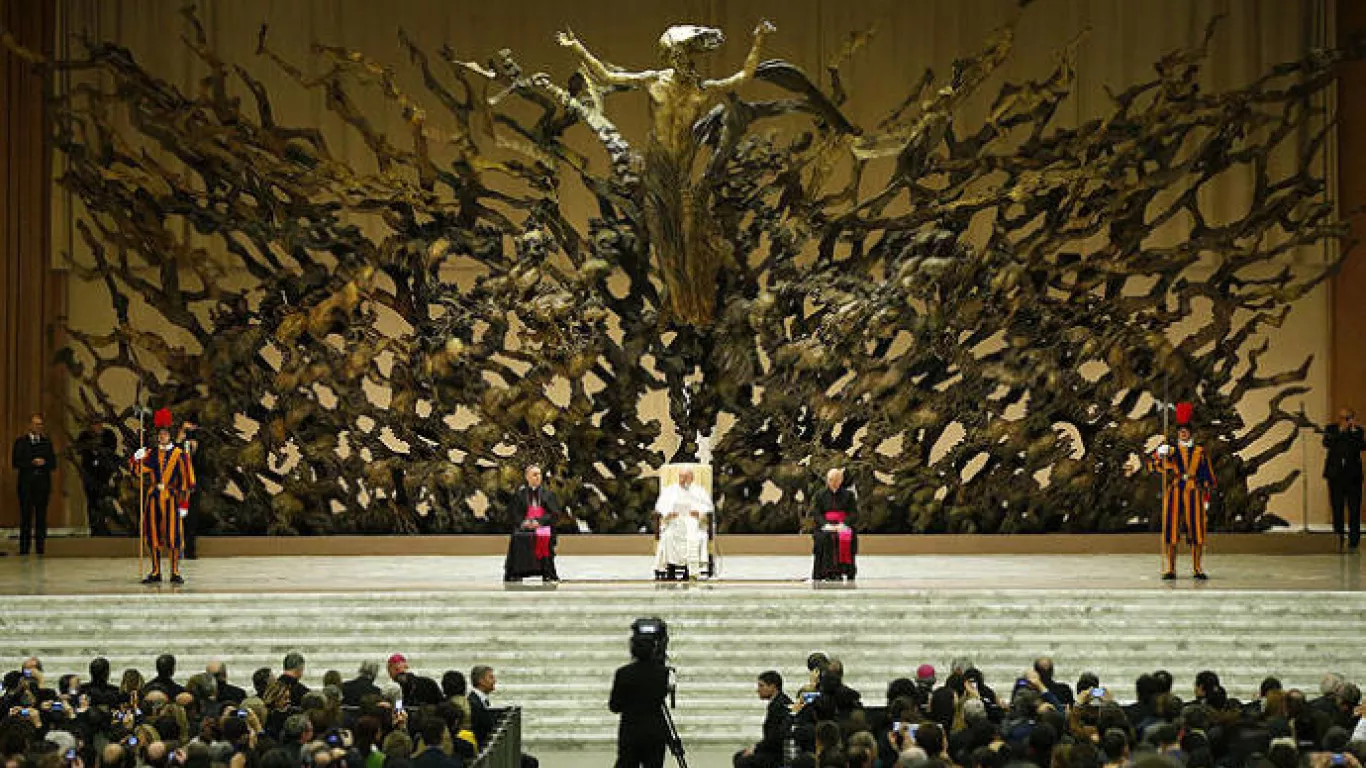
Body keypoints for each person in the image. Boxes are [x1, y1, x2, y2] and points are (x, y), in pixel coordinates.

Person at [1149, 402, 1216, 580]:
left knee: (1197, 530)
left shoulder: (1199, 452)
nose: (1183, 434)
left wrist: (1207, 496)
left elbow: (1207, 474)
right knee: (1171, 528)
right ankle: (1171, 568)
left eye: (1185, 431)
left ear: (1190, 433)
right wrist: (1159, 453)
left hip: (1194, 491)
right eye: (1180, 432)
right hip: (1176, 491)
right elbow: (1155, 464)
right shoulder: (1171, 450)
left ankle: (1197, 568)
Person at [131, 411, 194, 583]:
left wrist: (184, 504)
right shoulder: (151, 454)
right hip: (154, 498)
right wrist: (137, 459)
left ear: (170, 436)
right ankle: (156, 571)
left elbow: (187, 480)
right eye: (161, 434)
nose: (163, 436)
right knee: (153, 534)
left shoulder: (179, 455)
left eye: (166, 434)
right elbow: (139, 472)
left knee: (173, 535)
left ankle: (174, 571)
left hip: (172, 498)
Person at [609, 630, 672, 768]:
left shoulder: (623, 673)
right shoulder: (663, 673)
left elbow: (614, 706)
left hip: (631, 731)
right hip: (655, 731)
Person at [501, 465, 562, 582]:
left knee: (543, 536)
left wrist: (539, 522)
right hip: (524, 527)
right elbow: (514, 513)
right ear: (527, 477)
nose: (538, 477)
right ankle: (517, 572)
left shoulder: (548, 494)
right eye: (534, 475)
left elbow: (554, 513)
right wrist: (524, 522)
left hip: (543, 526)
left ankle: (546, 572)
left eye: (539, 474)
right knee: (518, 537)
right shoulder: (520, 495)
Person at [652, 467, 713, 580]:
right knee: (668, 536)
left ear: (692, 478)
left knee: (695, 538)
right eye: (681, 477)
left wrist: (699, 513)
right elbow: (660, 507)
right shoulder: (670, 490)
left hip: (693, 524)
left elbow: (708, 507)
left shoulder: (699, 491)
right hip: (674, 523)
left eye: (686, 477)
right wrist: (668, 513)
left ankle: (688, 569)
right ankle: (671, 567)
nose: (683, 480)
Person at [12, 413, 57, 555]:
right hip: (26, 484)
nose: (38, 427)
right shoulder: (21, 442)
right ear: (29, 425)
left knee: (41, 516)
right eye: (36, 424)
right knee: (25, 516)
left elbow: (53, 463)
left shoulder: (46, 442)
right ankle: (24, 548)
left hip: (42, 484)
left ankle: (40, 547)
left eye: (40, 424)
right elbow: (16, 462)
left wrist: (44, 463)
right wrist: (31, 463)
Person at [1323, 408, 1364, 552]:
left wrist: (1352, 432)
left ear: (1352, 418)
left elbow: (1361, 446)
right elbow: (1327, 443)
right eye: (1342, 418)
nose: (1344, 421)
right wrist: (1341, 431)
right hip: (1335, 475)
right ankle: (1338, 538)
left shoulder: (1358, 432)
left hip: (1353, 476)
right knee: (1337, 507)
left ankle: (1354, 540)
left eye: (1347, 418)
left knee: (1354, 509)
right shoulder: (1331, 429)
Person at [734, 671, 792, 768]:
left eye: (761, 686)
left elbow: (776, 737)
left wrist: (756, 748)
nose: (758, 690)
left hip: (778, 754)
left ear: (773, 687)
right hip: (774, 750)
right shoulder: (777, 703)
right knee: (739, 756)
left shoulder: (780, 706)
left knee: (743, 761)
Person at [809, 468, 859, 581]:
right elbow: (816, 513)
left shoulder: (849, 495)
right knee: (825, 538)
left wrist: (844, 524)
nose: (834, 482)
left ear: (841, 480)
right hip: (825, 526)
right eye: (831, 480)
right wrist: (825, 525)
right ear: (827, 480)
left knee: (844, 536)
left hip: (843, 525)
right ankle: (826, 572)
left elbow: (853, 513)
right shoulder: (819, 495)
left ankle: (842, 571)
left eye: (836, 480)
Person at [75, 418, 119, 536]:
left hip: (105, 473)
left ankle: (106, 526)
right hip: (90, 474)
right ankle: (94, 528)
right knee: (92, 501)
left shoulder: (109, 435)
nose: (97, 426)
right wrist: (90, 446)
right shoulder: (84, 436)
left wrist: (100, 450)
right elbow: (78, 449)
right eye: (94, 424)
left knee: (105, 500)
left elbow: (111, 450)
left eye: (99, 424)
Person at [176, 419, 201, 559]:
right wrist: (180, 439)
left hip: (192, 488)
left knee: (192, 520)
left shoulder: (197, 444)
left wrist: (195, 448)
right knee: (179, 519)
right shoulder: (176, 446)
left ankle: (190, 551)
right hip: (179, 488)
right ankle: (178, 549)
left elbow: (200, 464)